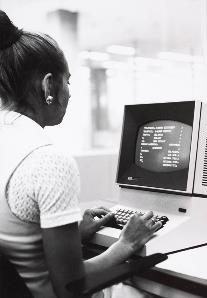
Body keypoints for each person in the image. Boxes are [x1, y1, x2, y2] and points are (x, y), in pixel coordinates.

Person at [0, 10, 162, 298]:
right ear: (49, 85)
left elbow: (22, 242)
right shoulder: (47, 161)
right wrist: (125, 244)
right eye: (68, 81)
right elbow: (69, 286)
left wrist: (73, 234)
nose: (70, 93)